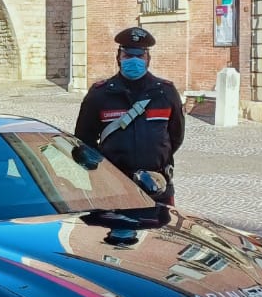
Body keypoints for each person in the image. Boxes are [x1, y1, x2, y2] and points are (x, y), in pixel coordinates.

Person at [74, 26, 186, 206]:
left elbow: (176, 137)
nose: (134, 61)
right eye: (128, 56)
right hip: (113, 187)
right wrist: (104, 173)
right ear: (118, 58)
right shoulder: (99, 94)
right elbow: (83, 140)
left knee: (159, 233)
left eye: (139, 56)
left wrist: (154, 158)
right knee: (113, 233)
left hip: (157, 185)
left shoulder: (166, 92)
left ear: (148, 59)